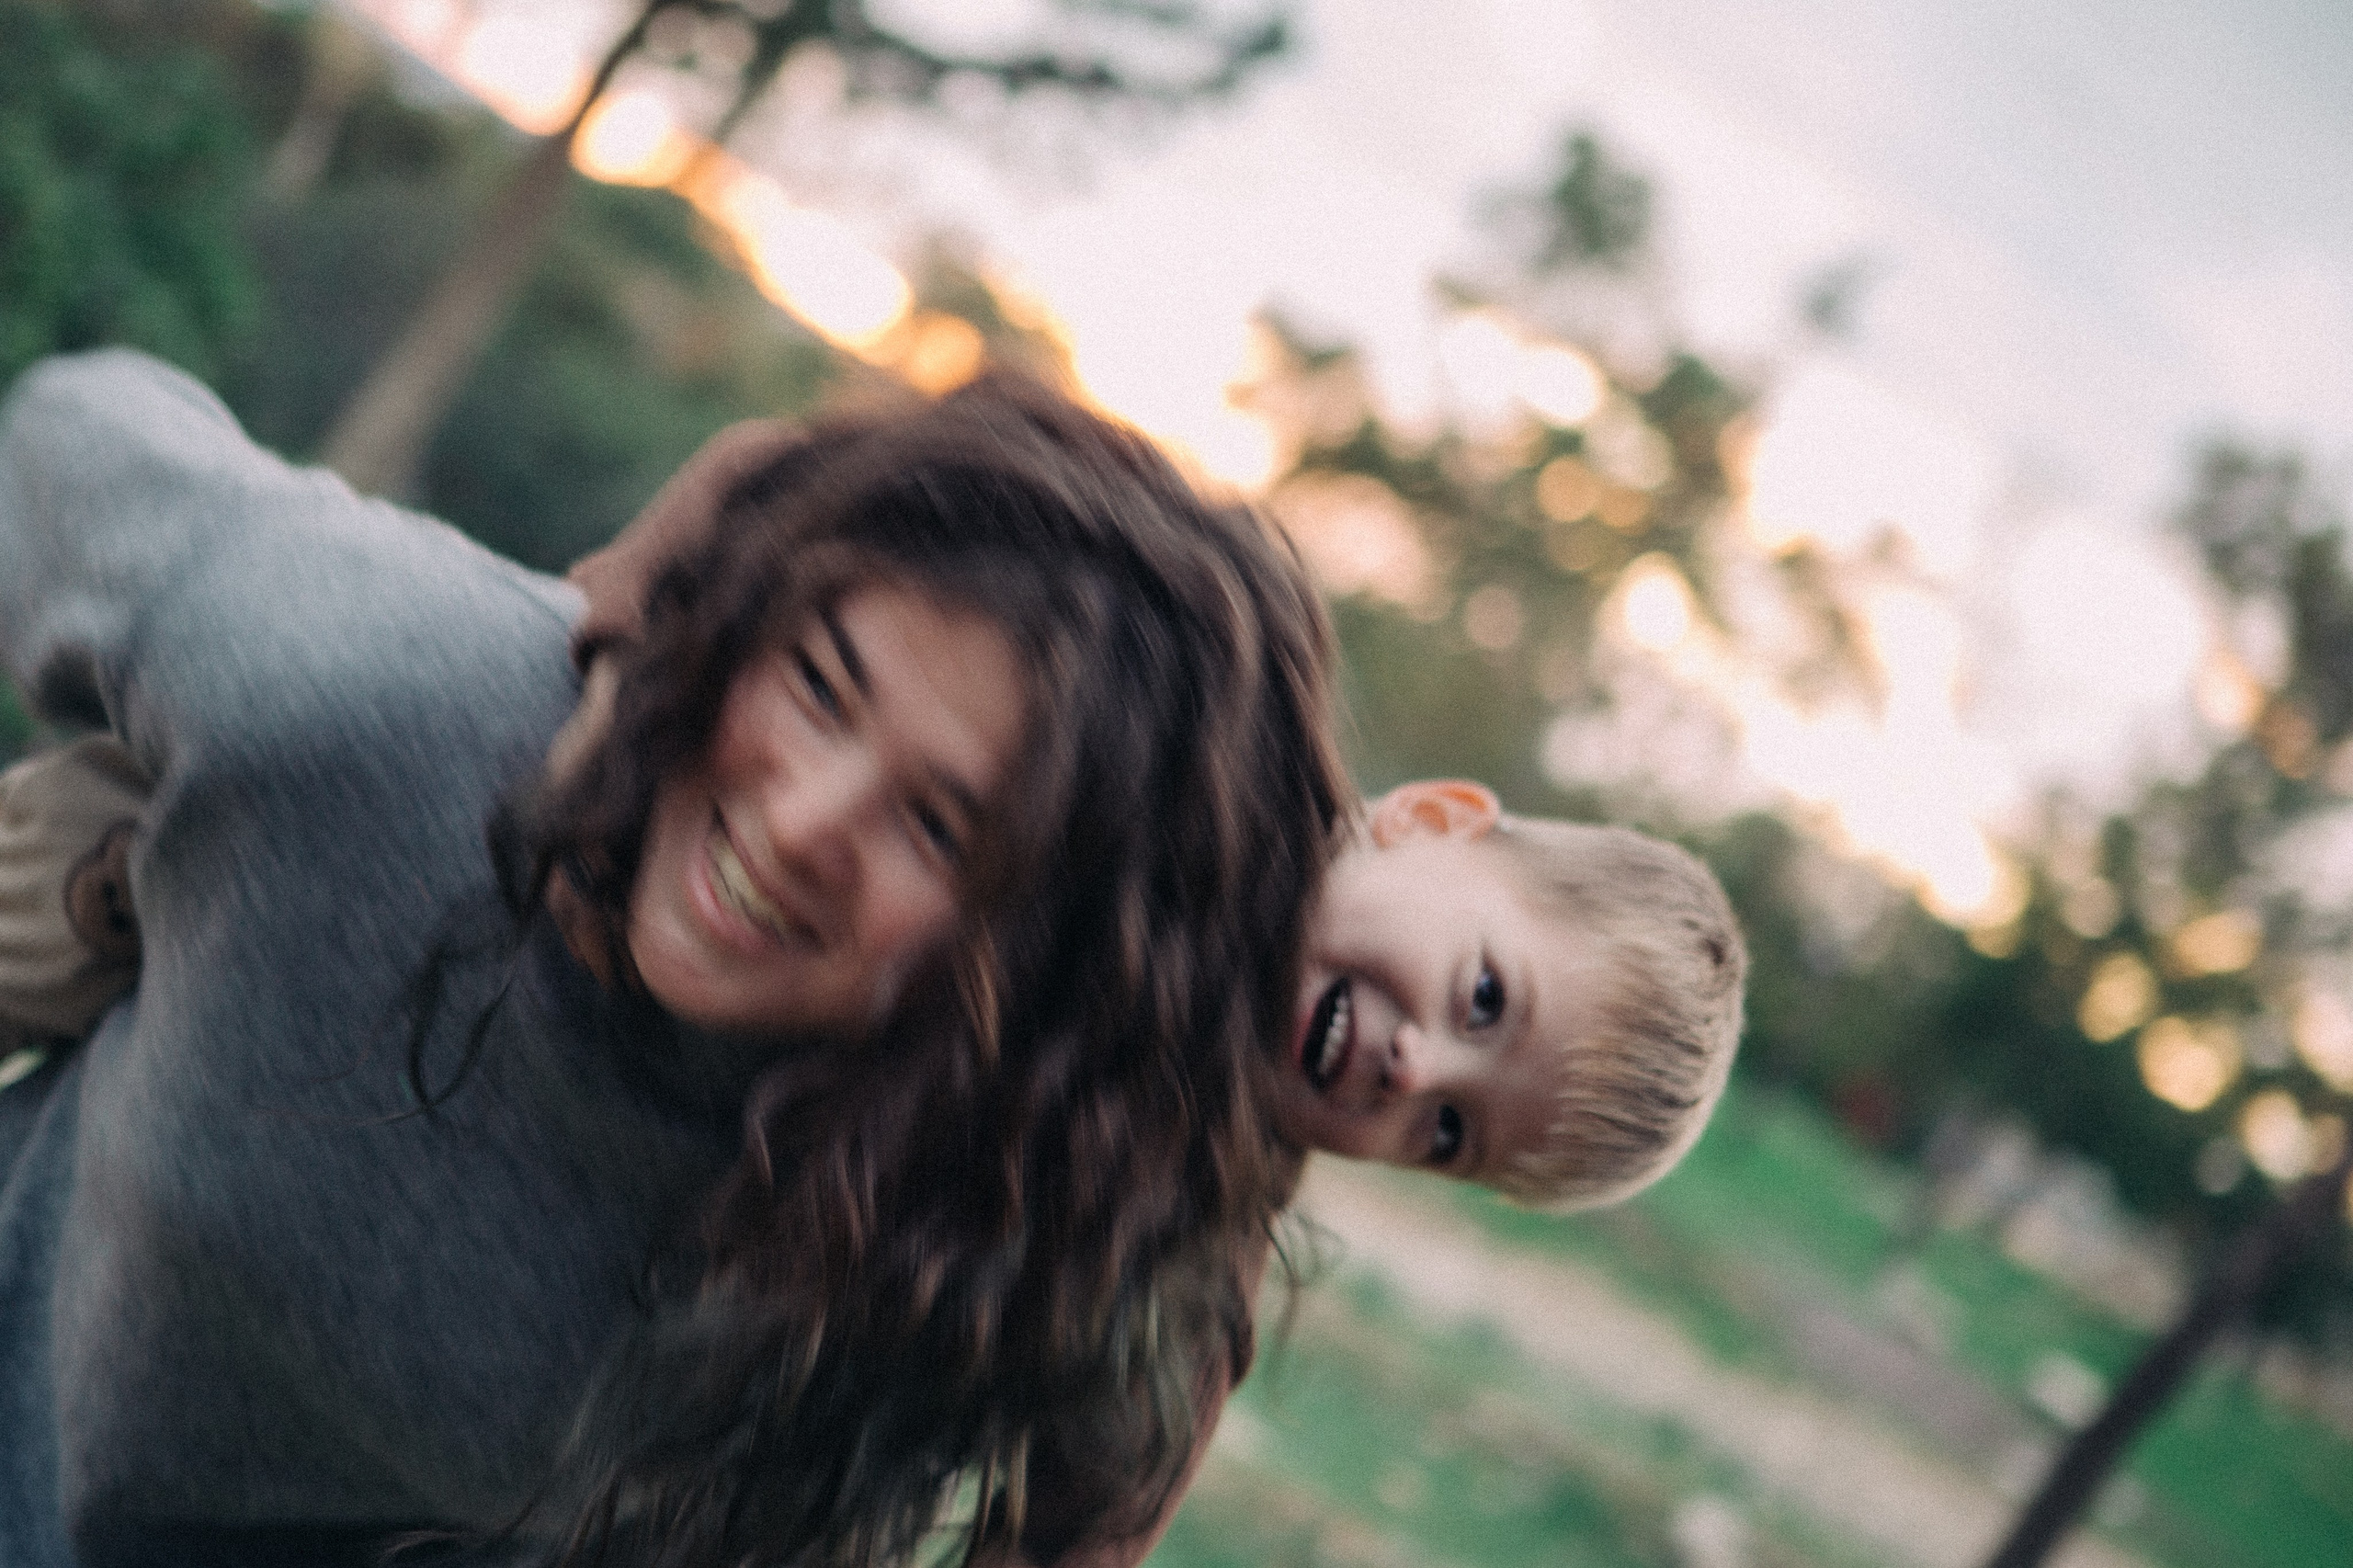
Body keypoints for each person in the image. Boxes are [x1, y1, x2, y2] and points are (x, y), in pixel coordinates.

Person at [0, 348, 1347, 1568]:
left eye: (939, 829)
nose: (803, 822)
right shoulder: (401, 704)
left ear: (1053, 970)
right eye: (818, 685)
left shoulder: (961, 1226)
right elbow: (76, 425)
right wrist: (140, 768)